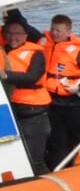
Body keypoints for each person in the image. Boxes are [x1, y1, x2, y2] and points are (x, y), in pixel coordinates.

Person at [41, 14, 80, 162]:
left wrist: (79, 88)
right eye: (53, 29)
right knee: (57, 140)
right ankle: (59, 169)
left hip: (76, 103)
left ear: (68, 32)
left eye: (58, 30)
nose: (54, 33)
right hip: (54, 102)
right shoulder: (47, 44)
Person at [2, 19, 51, 173]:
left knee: (34, 159)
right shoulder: (4, 52)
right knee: (14, 156)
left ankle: (49, 190)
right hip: (11, 110)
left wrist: (4, 75)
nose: (13, 37)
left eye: (17, 34)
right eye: (9, 33)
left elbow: (32, 77)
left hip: (33, 113)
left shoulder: (36, 54)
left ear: (25, 36)